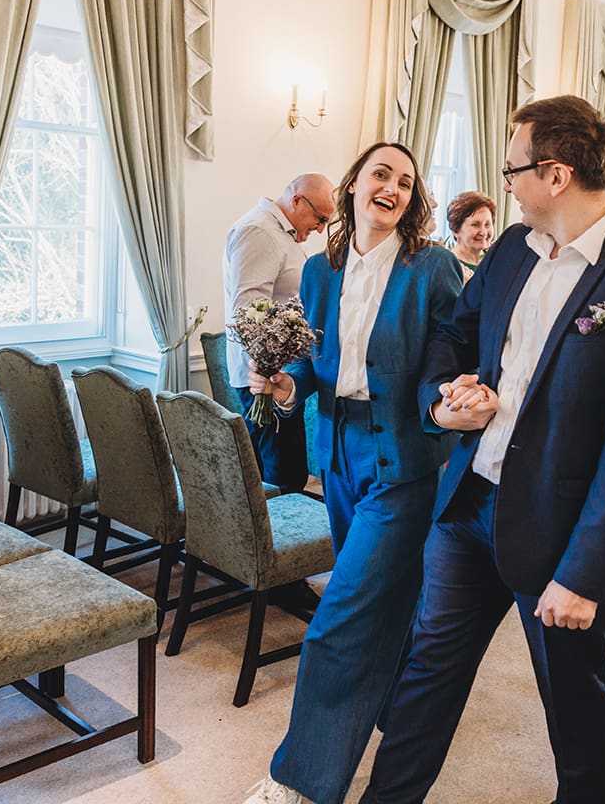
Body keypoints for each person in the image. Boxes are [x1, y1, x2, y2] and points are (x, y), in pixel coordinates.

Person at [359, 95, 605, 804]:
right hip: (469, 506)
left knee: (573, 701)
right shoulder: (512, 247)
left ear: (555, 174)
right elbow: (454, 334)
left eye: (513, 169)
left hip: (564, 533)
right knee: (427, 672)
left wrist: (584, 574)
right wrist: (445, 397)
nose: (505, 183)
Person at [241, 143, 464, 804]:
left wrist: (447, 401)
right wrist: (285, 384)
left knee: (338, 617)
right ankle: (397, 714)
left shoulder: (434, 268)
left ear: (412, 199)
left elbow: (448, 357)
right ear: (354, 187)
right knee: (384, 604)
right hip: (339, 461)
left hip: (404, 461)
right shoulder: (320, 270)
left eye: (405, 181)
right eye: (380, 174)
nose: (391, 187)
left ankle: (299, 781)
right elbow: (310, 364)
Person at [223, 173, 335, 493]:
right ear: (297, 200)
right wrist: (270, 371)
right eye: (320, 218)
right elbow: (248, 314)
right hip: (266, 380)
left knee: (272, 475)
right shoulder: (260, 232)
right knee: (283, 480)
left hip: (281, 379)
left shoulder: (280, 234)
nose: (321, 229)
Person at [445, 190, 496, 282]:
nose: (483, 232)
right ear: (456, 230)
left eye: (487, 224)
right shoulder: (449, 267)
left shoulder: (490, 266)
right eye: (475, 225)